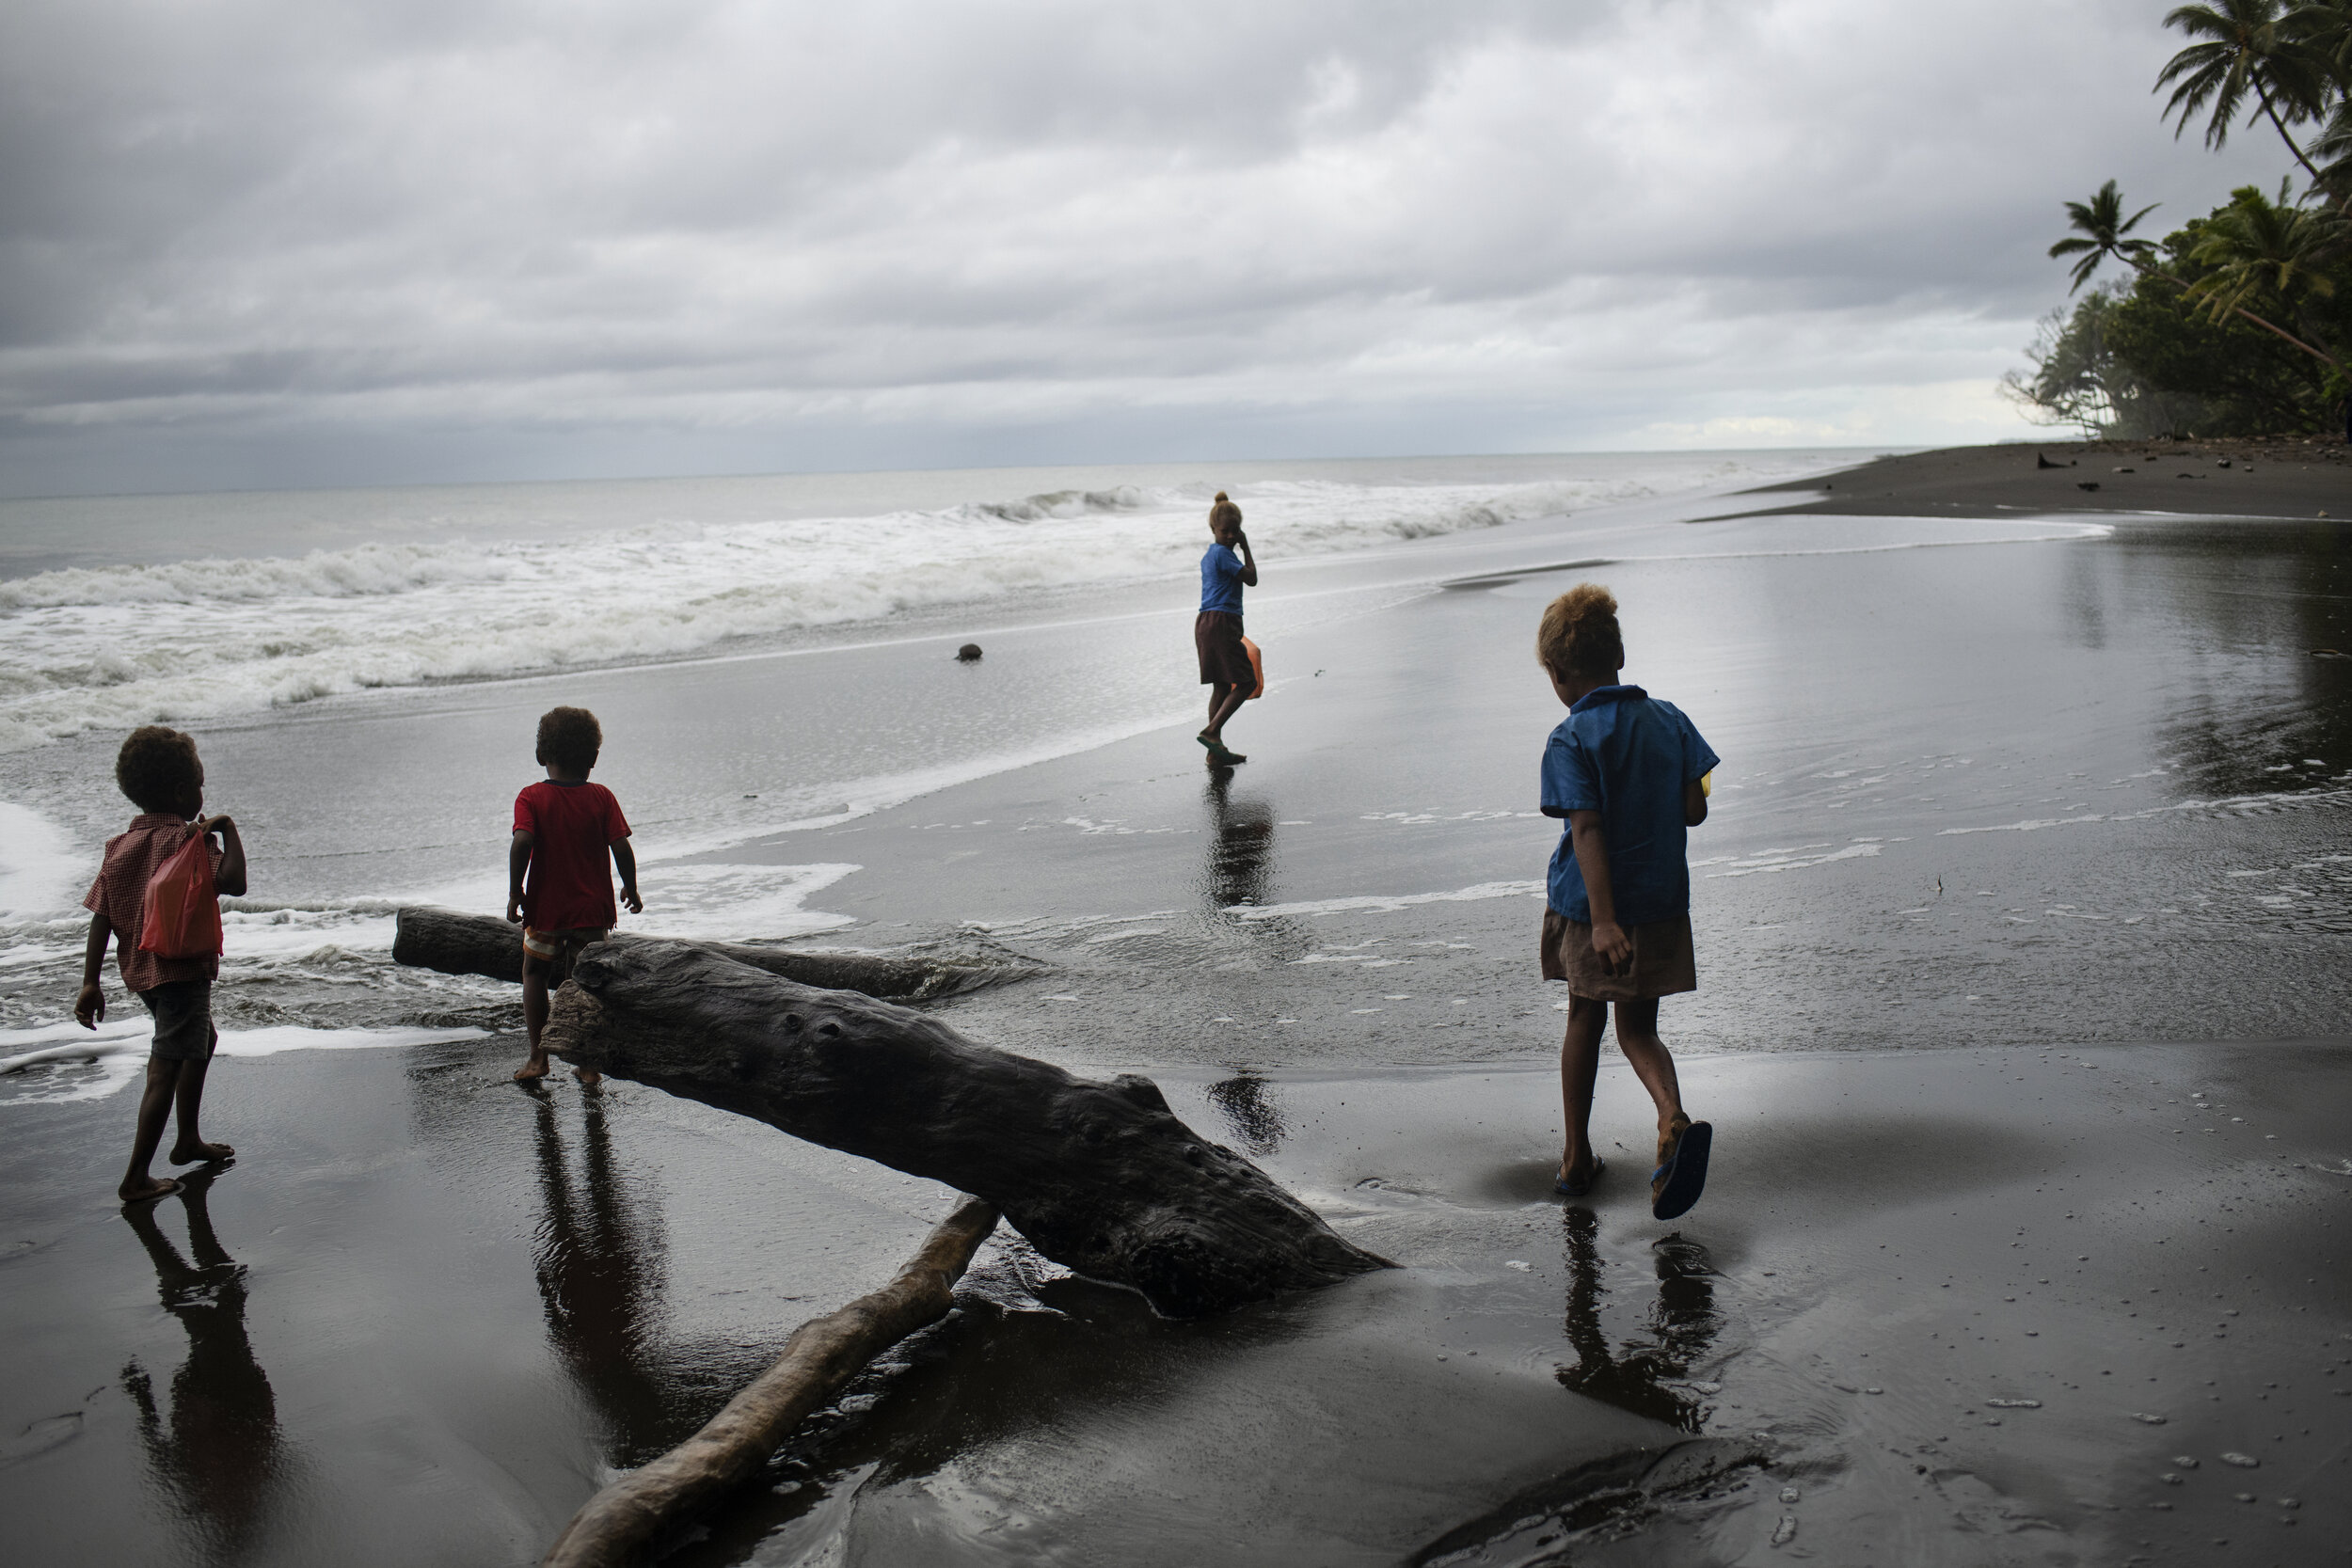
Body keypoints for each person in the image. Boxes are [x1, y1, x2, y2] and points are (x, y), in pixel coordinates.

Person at [1535, 585, 1719, 1220]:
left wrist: (1605, 919)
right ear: (1617, 654)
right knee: (1639, 1028)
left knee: (1584, 1018)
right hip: (1662, 900)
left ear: (1558, 674)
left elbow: (1585, 829)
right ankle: (1671, 1118)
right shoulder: (1670, 719)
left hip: (1594, 912)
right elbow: (1695, 808)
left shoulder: (1571, 738)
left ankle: (1576, 1158)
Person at [74, 726, 247, 1204]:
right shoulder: (188, 843)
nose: (203, 794)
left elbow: (101, 916)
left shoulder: (119, 847)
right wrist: (227, 829)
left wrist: (91, 983)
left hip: (143, 973)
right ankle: (136, 1177)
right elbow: (234, 884)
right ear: (179, 792)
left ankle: (188, 1139)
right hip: (182, 972)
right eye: (199, 785)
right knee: (164, 1069)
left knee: (201, 1039)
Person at [507, 706, 641, 1085]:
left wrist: (516, 891)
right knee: (583, 981)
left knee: (534, 972)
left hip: (546, 910)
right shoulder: (601, 797)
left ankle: (538, 1057)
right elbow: (621, 847)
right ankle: (586, 1064)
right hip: (592, 911)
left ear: (540, 757)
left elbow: (522, 843)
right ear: (594, 758)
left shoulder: (531, 798)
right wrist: (630, 887)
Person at [1195, 491, 1259, 767]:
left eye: (1236, 531)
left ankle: (1214, 752)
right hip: (1222, 622)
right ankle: (1211, 733)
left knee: (1221, 686)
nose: (1231, 535)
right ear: (1213, 530)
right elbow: (1252, 579)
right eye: (1225, 531)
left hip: (1206, 623)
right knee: (1246, 682)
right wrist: (1246, 547)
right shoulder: (1224, 555)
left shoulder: (1210, 555)